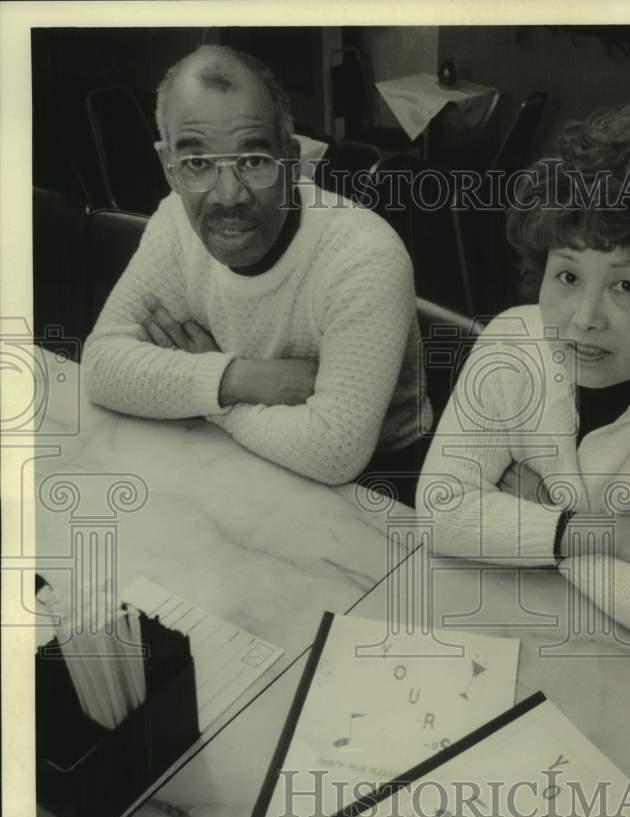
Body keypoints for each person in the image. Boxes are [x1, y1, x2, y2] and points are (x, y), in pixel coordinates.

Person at [417, 105, 630, 656]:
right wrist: (597, 532)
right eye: (567, 275)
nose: (585, 317)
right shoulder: (513, 340)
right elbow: (440, 513)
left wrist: (534, 510)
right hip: (509, 628)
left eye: (625, 286)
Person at [82, 45, 432, 489]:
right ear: (167, 167)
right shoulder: (174, 221)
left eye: (253, 160)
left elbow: (335, 451)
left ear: (291, 159)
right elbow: (101, 366)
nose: (228, 196)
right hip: (241, 456)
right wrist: (237, 377)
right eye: (197, 163)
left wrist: (205, 392)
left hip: (381, 484)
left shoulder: (363, 253)